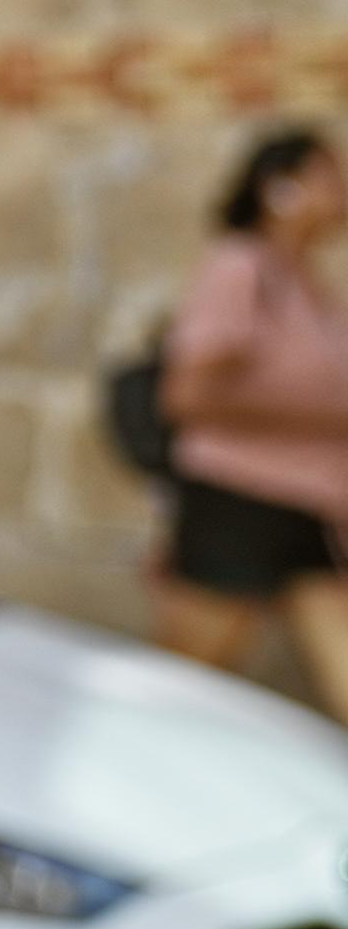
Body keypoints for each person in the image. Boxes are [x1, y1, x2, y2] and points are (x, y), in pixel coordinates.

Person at [154, 124, 348, 707]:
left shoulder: (306, 281)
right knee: (187, 680)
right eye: (326, 176)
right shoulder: (241, 268)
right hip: (240, 506)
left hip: (307, 507)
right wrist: (326, 418)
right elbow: (187, 396)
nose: (340, 190)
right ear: (278, 189)